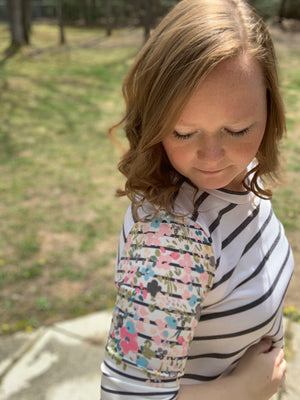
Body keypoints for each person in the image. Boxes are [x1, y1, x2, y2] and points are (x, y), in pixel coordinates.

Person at [100, 0, 294, 399]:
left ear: (270, 108)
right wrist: (247, 388)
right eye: (184, 133)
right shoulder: (171, 243)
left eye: (237, 129)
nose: (211, 157)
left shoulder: (244, 174)